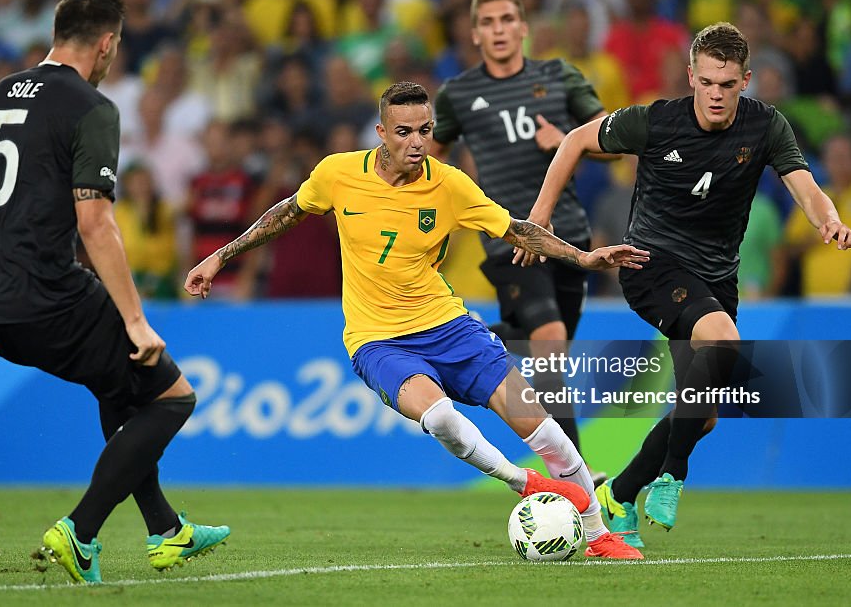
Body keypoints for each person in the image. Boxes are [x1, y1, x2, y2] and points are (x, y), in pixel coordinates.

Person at [185, 81, 649, 560]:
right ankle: (524, 482)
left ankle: (598, 536)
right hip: (378, 340)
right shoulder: (338, 173)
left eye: (425, 130)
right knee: (442, 417)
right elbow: (288, 212)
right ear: (382, 132)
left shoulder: (448, 184)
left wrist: (584, 258)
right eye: (404, 131)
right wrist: (221, 256)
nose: (416, 142)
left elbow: (516, 229)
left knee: (546, 430)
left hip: (450, 327)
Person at [0, 0, 229, 584]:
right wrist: (136, 318)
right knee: (173, 397)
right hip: (46, 295)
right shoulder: (90, 107)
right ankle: (80, 533)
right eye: (116, 47)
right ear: (107, 43)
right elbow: (95, 220)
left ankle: (167, 531)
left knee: (119, 391)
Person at [521, 22, 851, 548]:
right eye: (707, 82)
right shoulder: (655, 121)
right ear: (691, 77)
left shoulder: (766, 126)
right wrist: (540, 217)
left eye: (727, 84)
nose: (716, 95)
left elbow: (804, 185)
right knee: (722, 342)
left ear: (745, 80)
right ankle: (672, 477)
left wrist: (828, 219)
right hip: (650, 264)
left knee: (701, 417)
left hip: (716, 279)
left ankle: (620, 495)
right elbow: (574, 141)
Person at [429, 0, 609, 485]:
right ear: (475, 33)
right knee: (549, 343)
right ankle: (576, 471)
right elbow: (428, 157)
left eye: (507, 18)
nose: (499, 29)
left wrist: (571, 143)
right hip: (507, 238)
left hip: (570, 239)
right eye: (488, 22)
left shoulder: (558, 76)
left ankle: (475, 337)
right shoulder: (458, 94)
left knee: (548, 350)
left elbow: (612, 141)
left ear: (523, 26)